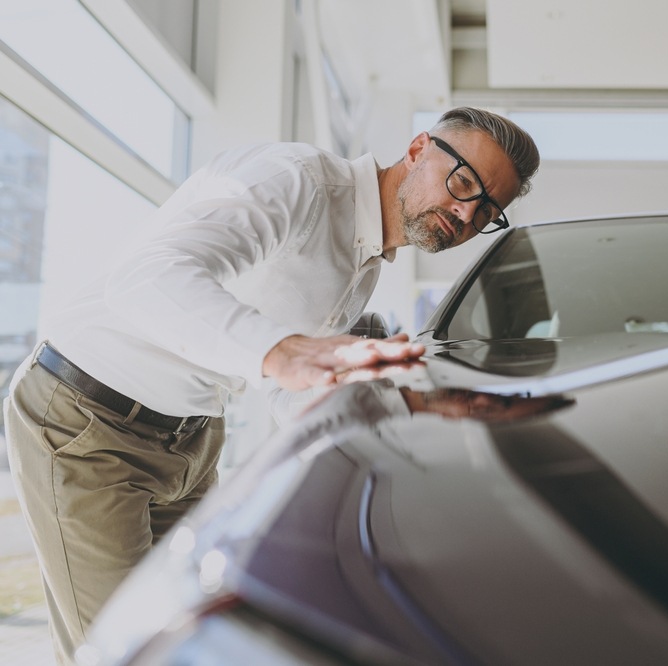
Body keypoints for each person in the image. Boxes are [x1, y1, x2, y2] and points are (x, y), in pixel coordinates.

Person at [2, 106, 539, 665]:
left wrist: (400, 416)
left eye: (487, 210)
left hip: (193, 439)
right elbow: (146, 275)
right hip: (88, 421)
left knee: (193, 644)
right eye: (463, 182)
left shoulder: (366, 263)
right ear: (416, 149)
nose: (465, 211)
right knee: (126, 655)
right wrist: (280, 350)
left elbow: (291, 391)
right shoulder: (298, 182)